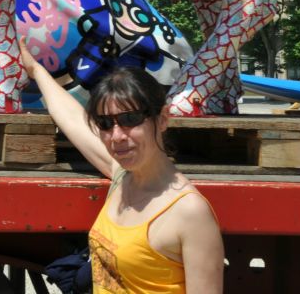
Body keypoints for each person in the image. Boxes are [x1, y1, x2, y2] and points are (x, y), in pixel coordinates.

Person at [18, 38, 224, 293]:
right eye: (105, 123)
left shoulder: (188, 212)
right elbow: (72, 118)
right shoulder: (122, 177)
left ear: (162, 119)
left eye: (130, 119)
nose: (117, 135)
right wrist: (35, 70)